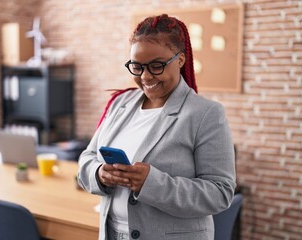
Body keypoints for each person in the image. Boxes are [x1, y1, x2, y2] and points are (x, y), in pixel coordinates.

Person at [78, 14, 236, 240]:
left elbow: (220, 193)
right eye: (137, 66)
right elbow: (87, 157)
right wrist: (99, 173)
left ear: (180, 60)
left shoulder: (206, 114)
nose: (145, 76)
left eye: (156, 66)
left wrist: (151, 184)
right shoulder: (120, 103)